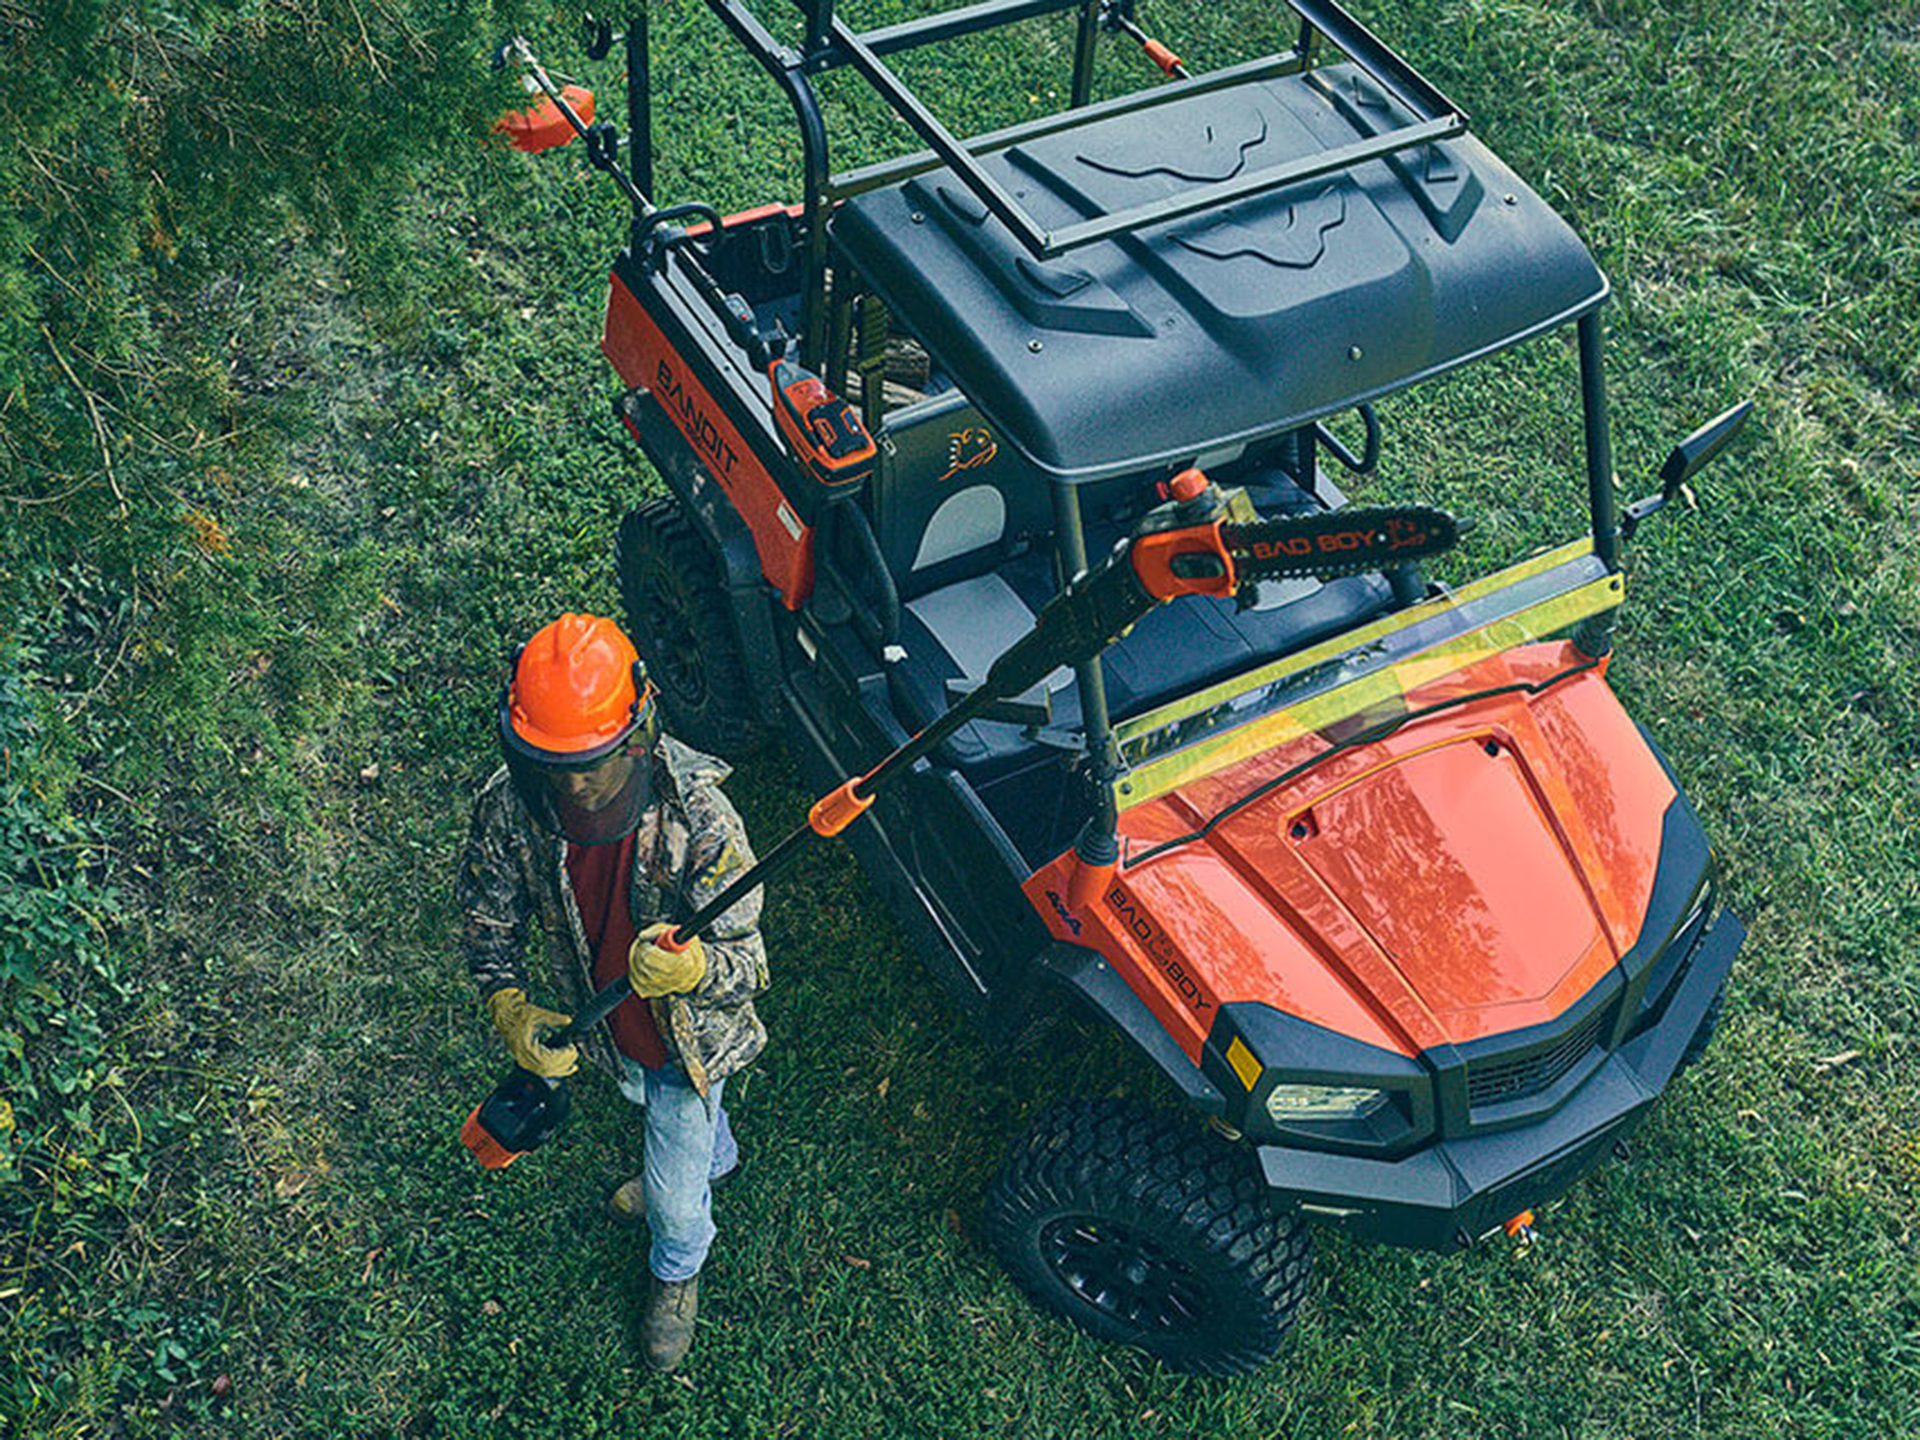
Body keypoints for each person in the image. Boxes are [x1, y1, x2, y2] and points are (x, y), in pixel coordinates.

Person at [456, 612, 768, 1374]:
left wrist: (695, 972)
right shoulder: (513, 805)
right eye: (548, 760)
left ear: (637, 733)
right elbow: (487, 911)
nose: (572, 781)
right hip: (603, 1033)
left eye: (590, 760)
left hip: (684, 1049)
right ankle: (716, 1157)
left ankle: (677, 1270)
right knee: (667, 1125)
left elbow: (749, 966)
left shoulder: (702, 820)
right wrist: (506, 1000)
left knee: (672, 1192)